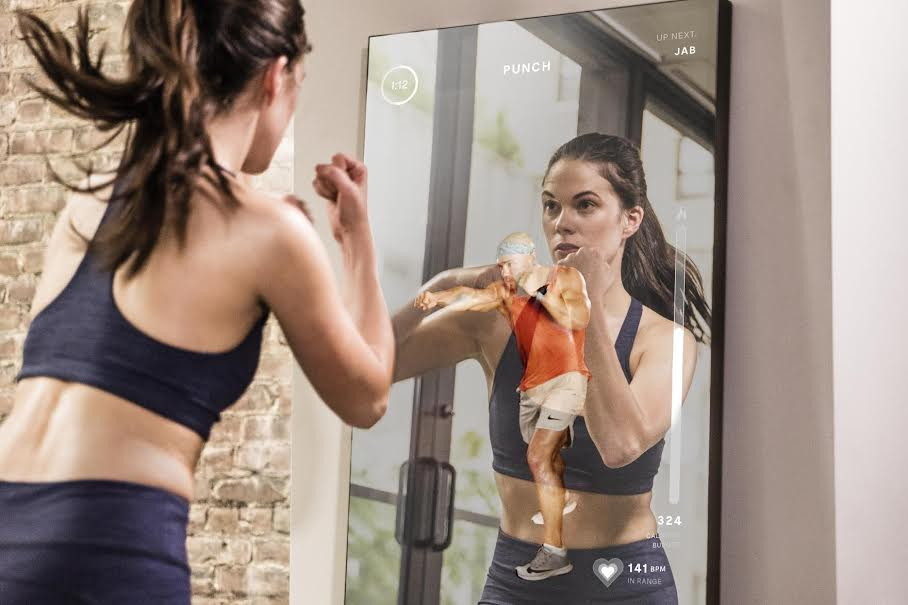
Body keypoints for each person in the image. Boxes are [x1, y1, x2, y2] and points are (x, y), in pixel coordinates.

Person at [0, 2, 394, 603]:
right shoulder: (267, 228)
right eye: (298, 88)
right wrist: (356, 240)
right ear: (274, 78)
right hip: (106, 545)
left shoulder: (90, 203)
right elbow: (367, 397)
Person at [394, 133, 711, 604]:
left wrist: (589, 312)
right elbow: (372, 361)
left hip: (626, 588)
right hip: (515, 583)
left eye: (585, 206)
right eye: (551, 206)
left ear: (630, 219)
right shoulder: (500, 322)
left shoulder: (666, 341)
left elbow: (621, 446)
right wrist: (448, 282)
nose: (563, 223)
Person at [414, 232, 592, 581]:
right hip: (533, 389)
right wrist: (436, 297)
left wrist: (540, 293)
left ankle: (554, 553)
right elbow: (469, 297)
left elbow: (578, 319)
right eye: (500, 264)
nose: (503, 270)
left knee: (537, 458)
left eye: (508, 263)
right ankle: (563, 496)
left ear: (529, 257)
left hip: (566, 379)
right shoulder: (506, 295)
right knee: (544, 456)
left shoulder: (564, 278)